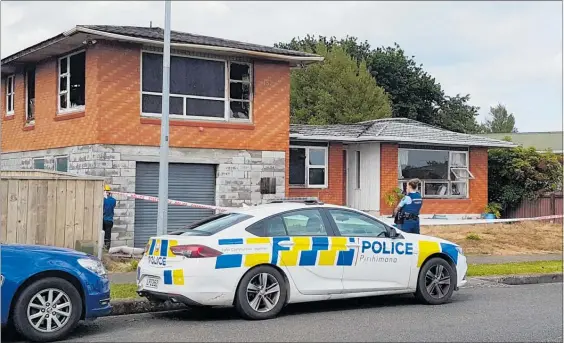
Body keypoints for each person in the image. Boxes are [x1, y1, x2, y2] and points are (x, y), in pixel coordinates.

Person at [103, 185, 117, 250]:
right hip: (109, 220)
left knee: (102, 234)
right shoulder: (113, 200)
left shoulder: (103, 199)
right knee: (108, 235)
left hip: (103, 220)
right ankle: (107, 248)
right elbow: (113, 206)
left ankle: (102, 248)